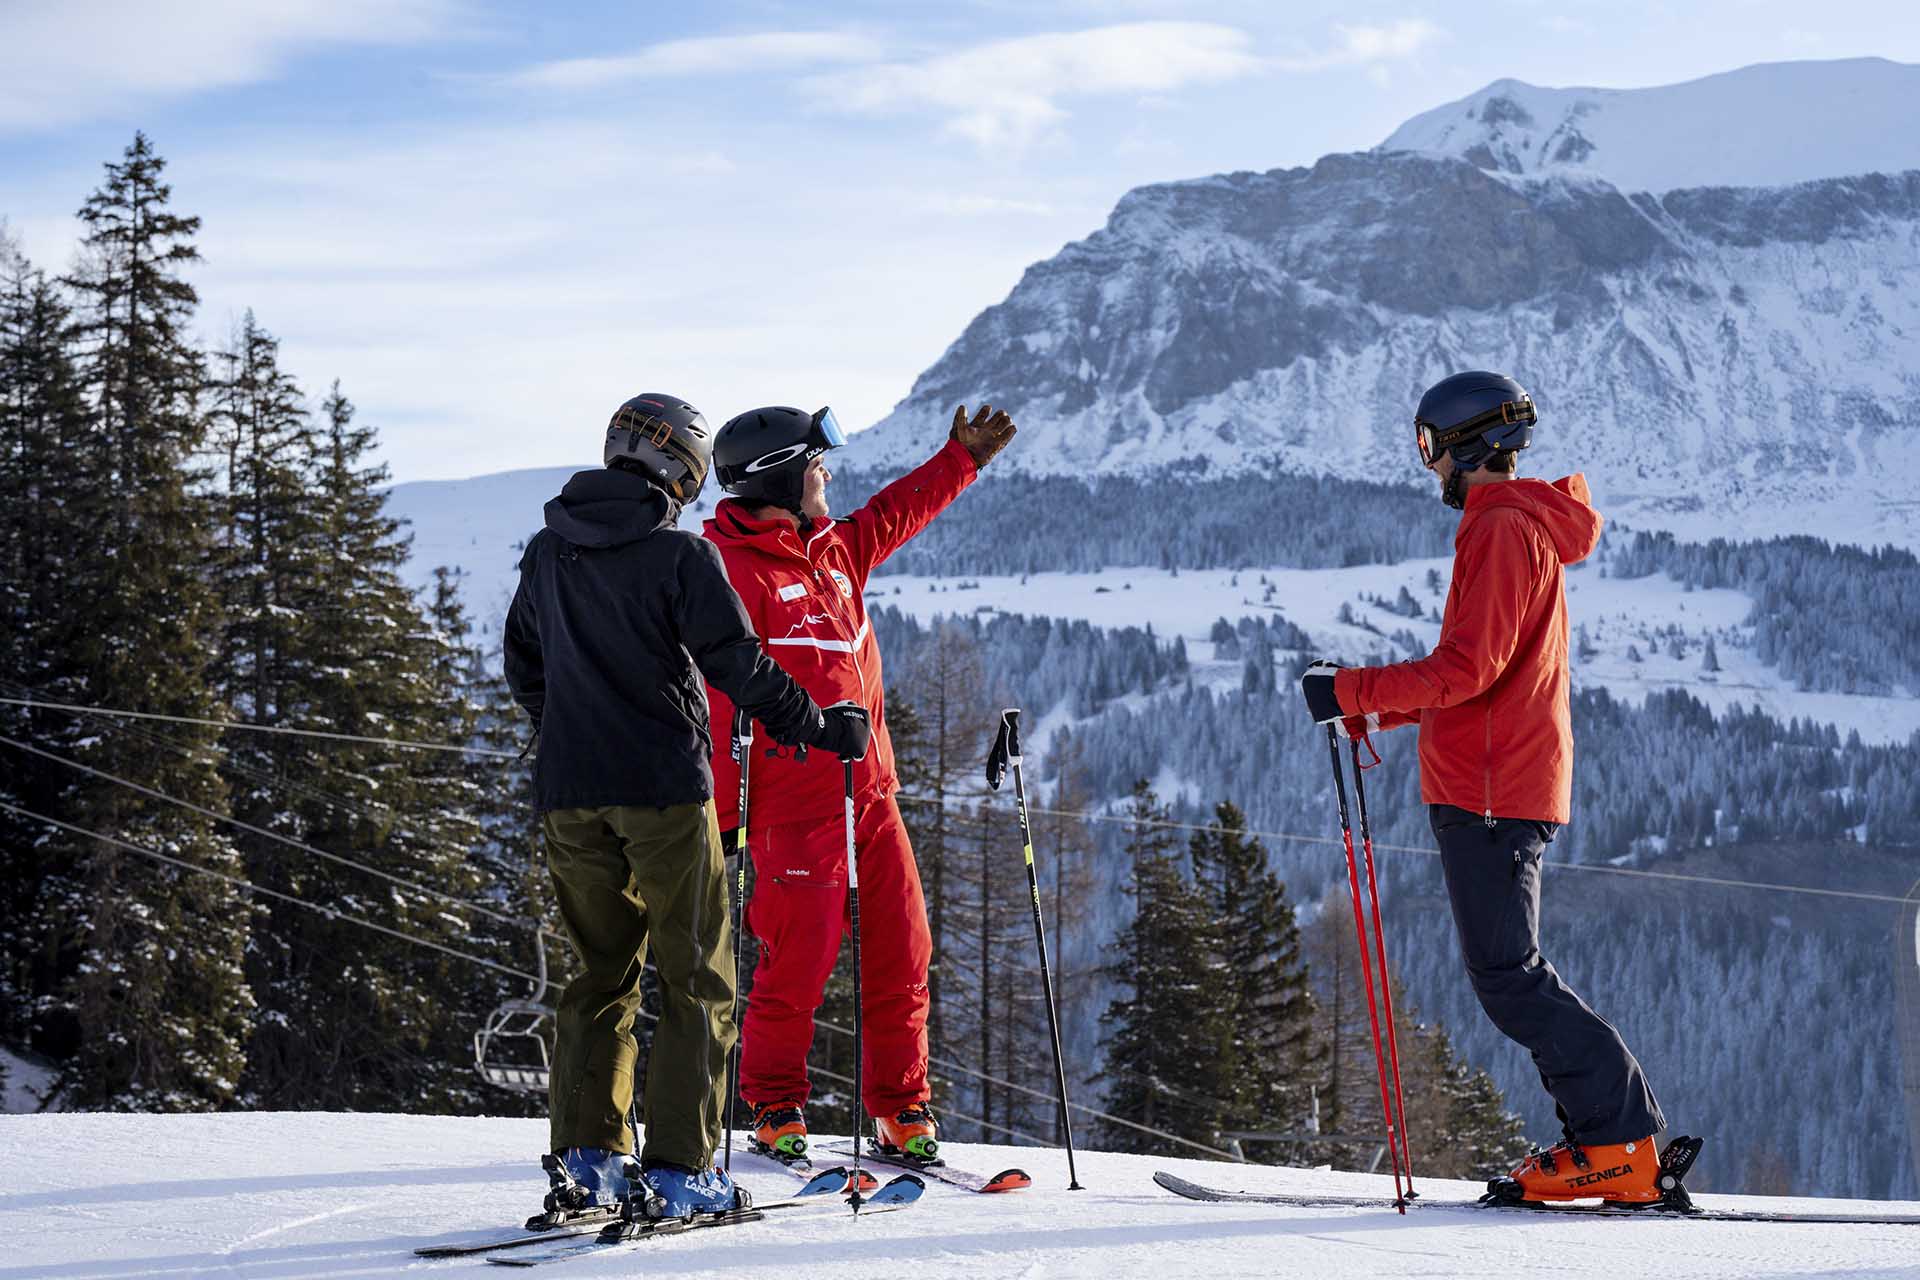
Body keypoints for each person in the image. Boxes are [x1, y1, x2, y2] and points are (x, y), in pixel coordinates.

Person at [1298, 370, 1672, 1204]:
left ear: (1463, 447)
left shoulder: (1500, 528)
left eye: (1430, 448)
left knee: (1509, 974)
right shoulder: (1509, 523)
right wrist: (1369, 711)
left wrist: (1353, 693)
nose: (1428, 466)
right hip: (1495, 777)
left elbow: (1470, 668)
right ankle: (1609, 1142)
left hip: (1494, 790)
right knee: (1508, 971)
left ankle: (1617, 1145)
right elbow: (1480, 678)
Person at [503, 392, 872, 1219]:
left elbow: (525, 667)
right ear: (685, 469)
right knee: (698, 975)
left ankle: (591, 1158)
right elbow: (740, 665)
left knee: (601, 974)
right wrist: (819, 726)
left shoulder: (545, 552)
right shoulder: (678, 558)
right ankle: (680, 1169)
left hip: (569, 796)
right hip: (665, 792)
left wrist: (573, 729)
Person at [702, 402, 1016, 1165]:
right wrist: (723, 813)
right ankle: (776, 1102)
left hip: (872, 797)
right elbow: (713, 695)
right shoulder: (726, 572)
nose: (828, 476)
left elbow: (895, 512)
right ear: (779, 475)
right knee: (797, 962)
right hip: (792, 809)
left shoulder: (836, 550)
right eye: (815, 465)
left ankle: (902, 1107)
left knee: (905, 950)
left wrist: (961, 460)